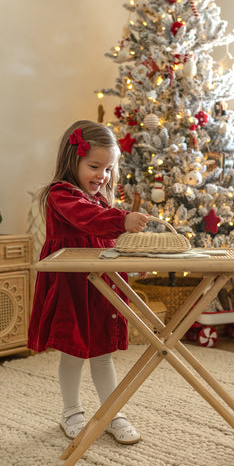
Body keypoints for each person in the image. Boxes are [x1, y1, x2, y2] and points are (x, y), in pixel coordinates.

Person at [27, 120, 149, 444]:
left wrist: (131, 264)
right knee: (74, 351)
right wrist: (121, 219)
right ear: (73, 159)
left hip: (101, 288)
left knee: (103, 352)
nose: (102, 176)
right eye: (94, 166)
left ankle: (113, 411)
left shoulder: (102, 201)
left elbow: (109, 248)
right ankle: (71, 411)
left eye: (108, 169)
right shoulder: (61, 195)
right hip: (72, 288)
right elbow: (87, 219)